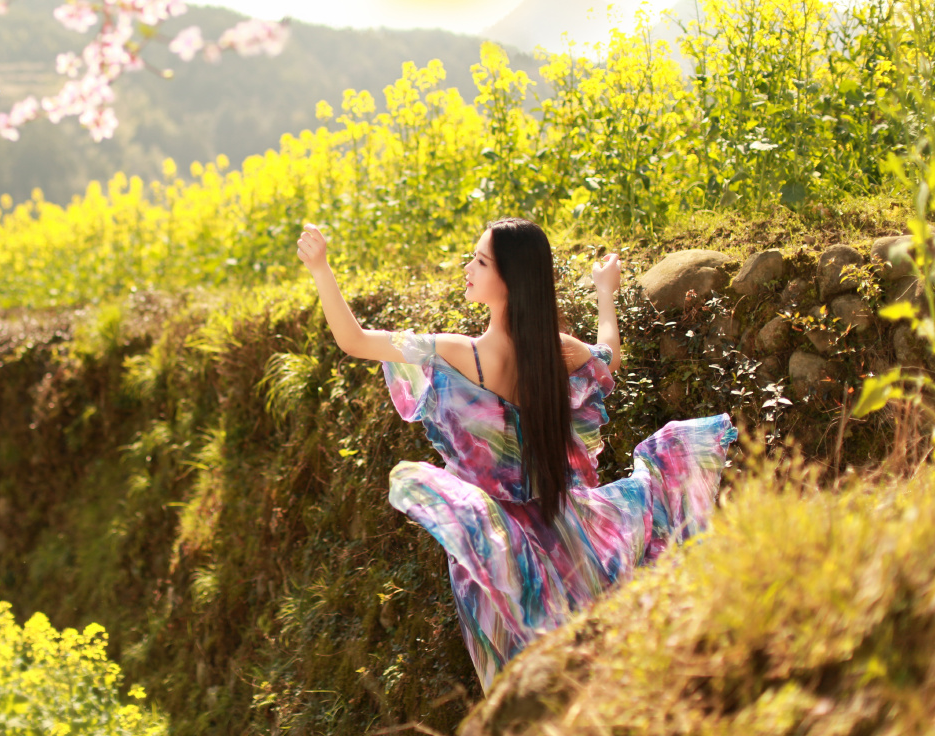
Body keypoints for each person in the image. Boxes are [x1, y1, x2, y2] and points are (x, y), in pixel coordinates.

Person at [295, 217, 736, 691]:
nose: (468, 268)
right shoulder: (556, 352)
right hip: (562, 530)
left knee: (521, 688)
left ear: (510, 279)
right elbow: (610, 352)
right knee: (588, 668)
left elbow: (355, 340)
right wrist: (604, 290)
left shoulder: (459, 353)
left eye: (481, 262)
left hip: (494, 550)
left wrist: (321, 268)